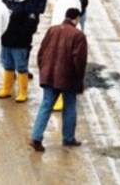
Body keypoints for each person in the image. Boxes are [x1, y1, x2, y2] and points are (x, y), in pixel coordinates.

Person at [28, 8, 88, 152]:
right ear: (76, 19)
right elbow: (79, 60)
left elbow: (41, 52)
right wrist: (79, 79)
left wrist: (43, 68)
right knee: (70, 106)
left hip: (49, 75)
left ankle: (36, 137)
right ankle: (68, 138)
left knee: (46, 106)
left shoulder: (52, 30)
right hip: (68, 78)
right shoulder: (78, 35)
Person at [3, 0, 48, 75]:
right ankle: (10, 69)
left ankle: (23, 67)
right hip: (14, 17)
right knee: (11, 44)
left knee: (26, 43)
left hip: (31, 17)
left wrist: (37, 11)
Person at [0, 0, 39, 102]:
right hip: (6, 40)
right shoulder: (6, 0)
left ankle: (23, 92)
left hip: (20, 42)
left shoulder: (30, 2)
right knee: (7, 65)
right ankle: (6, 89)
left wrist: (22, 35)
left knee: (21, 67)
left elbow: (32, 23)